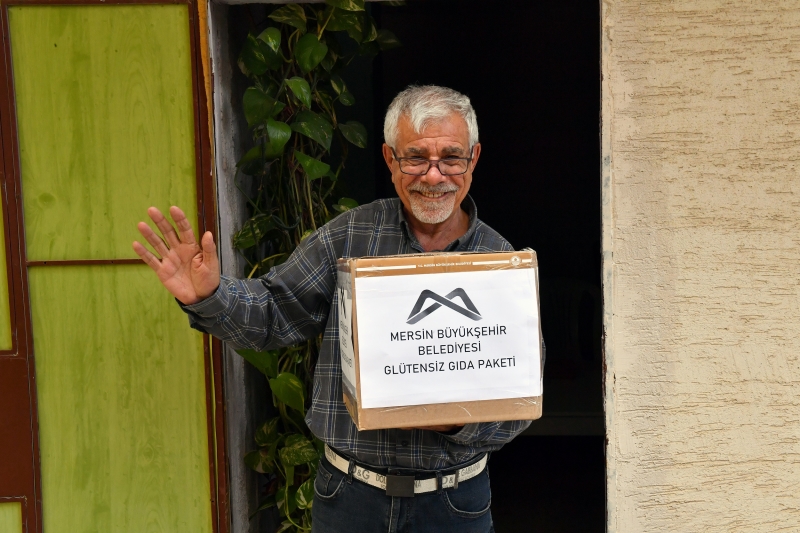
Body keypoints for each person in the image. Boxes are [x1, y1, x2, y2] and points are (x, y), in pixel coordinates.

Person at [133, 85, 533, 533]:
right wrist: (207, 295)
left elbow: (519, 398)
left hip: (454, 503)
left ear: (474, 159)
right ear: (389, 159)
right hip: (350, 500)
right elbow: (274, 312)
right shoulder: (349, 236)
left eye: (451, 158)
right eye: (415, 157)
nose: (434, 176)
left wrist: (453, 425)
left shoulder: (500, 261)